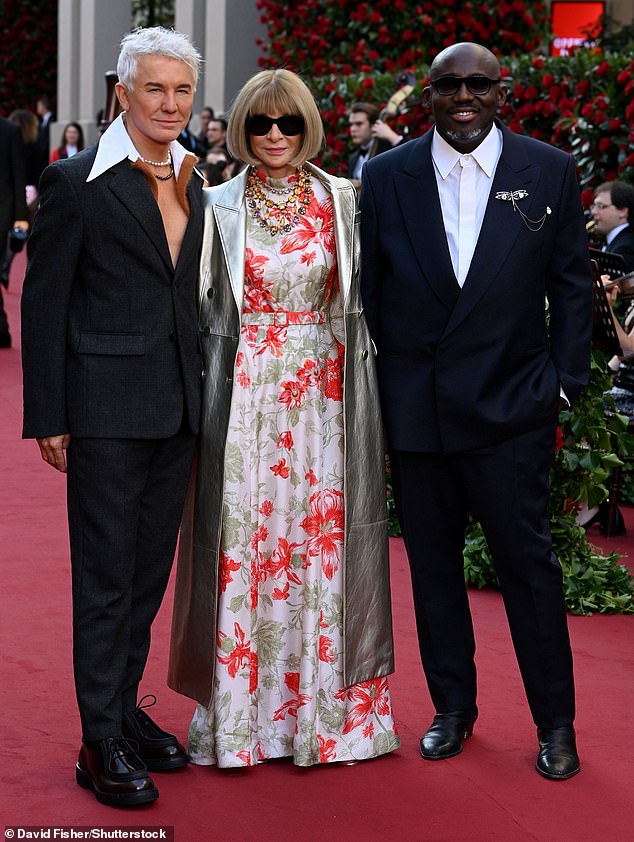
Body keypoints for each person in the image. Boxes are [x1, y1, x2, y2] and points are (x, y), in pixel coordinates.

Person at [360, 42, 593, 780]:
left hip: (510, 410)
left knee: (530, 571)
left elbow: (574, 284)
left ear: (503, 92)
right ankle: (452, 709)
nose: (464, 97)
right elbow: (374, 295)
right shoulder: (388, 175)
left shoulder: (549, 168)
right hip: (420, 416)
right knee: (432, 573)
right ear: (426, 94)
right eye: (449, 86)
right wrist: (385, 405)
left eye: (479, 85)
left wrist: (563, 383)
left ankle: (556, 724)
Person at [168, 68, 399, 768]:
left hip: (324, 400)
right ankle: (244, 723)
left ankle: (327, 723)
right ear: (241, 128)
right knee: (246, 541)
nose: (275, 136)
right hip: (242, 399)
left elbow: (373, 300)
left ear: (308, 127)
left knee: (322, 544)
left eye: (289, 124)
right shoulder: (215, 204)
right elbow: (196, 308)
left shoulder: (346, 201)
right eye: (262, 124)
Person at [21, 26, 205, 806]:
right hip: (102, 409)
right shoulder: (74, 182)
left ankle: (123, 711)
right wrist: (49, 415)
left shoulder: (198, 179)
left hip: (179, 408)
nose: (170, 103)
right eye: (155, 88)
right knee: (104, 580)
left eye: (182, 91)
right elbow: (44, 301)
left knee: (145, 576)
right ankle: (98, 741)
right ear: (122, 92)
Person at [0, 115, 29, 346]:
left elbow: (19, 175)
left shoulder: (10, 130)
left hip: (3, 211)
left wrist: (21, 217)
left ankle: (2, 329)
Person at [347, 102, 403, 183]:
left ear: (374, 125)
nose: (353, 129)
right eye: (351, 124)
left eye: (359, 124)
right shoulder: (353, 157)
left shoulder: (387, 151)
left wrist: (393, 137)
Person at [591, 180, 634, 272]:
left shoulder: (627, 247)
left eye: (601, 206)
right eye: (594, 206)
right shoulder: (613, 241)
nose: (593, 212)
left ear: (623, 211)